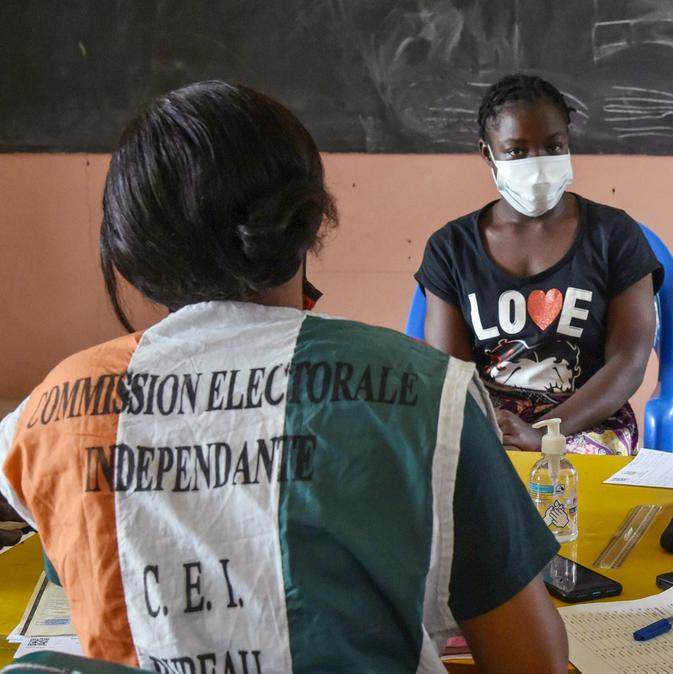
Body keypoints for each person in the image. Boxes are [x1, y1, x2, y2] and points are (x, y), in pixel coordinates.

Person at [0, 81, 567, 674]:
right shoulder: (428, 394)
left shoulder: (47, 414)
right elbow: (533, 663)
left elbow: (68, 564)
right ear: (309, 220)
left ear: (129, 244)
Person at [416, 74, 663, 455]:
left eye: (553, 147)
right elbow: (453, 371)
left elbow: (629, 362)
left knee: (573, 481)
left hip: (588, 416)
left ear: (568, 143)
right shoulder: (451, 248)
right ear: (488, 153)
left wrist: (545, 433)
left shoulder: (614, 236)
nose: (537, 164)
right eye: (516, 151)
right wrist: (497, 430)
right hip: (488, 417)